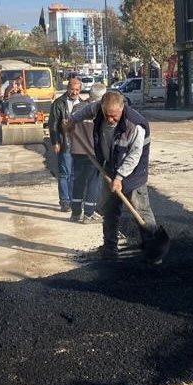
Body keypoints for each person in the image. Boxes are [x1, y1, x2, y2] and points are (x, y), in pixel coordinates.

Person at [68, 90, 157, 260]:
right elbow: (86, 111)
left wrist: (119, 177)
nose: (110, 119)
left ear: (122, 109)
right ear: (101, 108)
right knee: (109, 209)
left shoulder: (135, 125)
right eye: (107, 115)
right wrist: (72, 121)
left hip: (133, 172)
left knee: (141, 209)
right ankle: (110, 248)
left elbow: (134, 155)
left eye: (114, 116)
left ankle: (152, 247)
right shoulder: (98, 108)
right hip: (109, 167)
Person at [68, 83, 106, 223]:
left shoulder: (77, 107)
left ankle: (75, 213)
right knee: (93, 182)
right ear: (101, 97)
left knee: (78, 181)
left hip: (77, 151)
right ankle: (89, 214)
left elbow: (70, 128)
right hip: (93, 154)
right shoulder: (99, 111)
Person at [48, 76, 83, 213]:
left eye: (77, 90)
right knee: (64, 173)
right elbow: (53, 124)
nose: (74, 92)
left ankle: (73, 200)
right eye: (72, 89)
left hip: (79, 145)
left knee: (74, 174)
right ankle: (65, 201)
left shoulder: (83, 104)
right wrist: (55, 141)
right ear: (68, 88)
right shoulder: (59, 103)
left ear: (80, 90)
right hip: (64, 143)